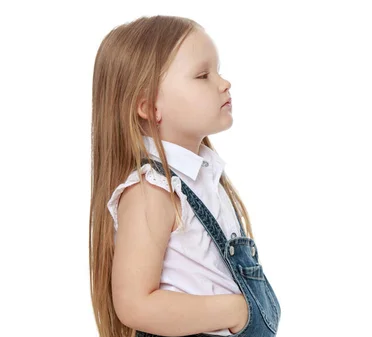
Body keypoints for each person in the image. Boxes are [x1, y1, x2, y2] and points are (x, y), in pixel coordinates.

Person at [89, 15, 281, 337]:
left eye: (218, 71)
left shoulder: (202, 176)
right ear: (150, 107)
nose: (223, 83)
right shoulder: (151, 192)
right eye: (203, 75)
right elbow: (134, 304)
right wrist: (236, 310)